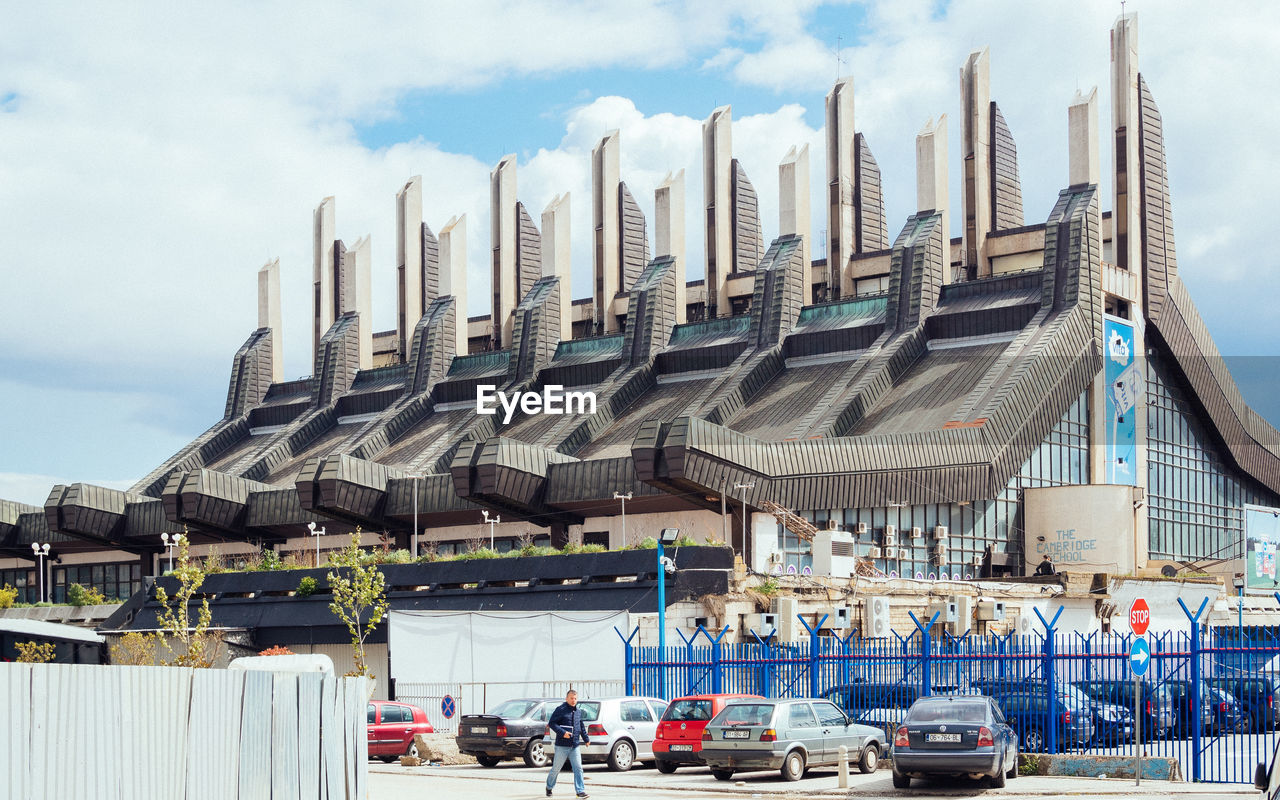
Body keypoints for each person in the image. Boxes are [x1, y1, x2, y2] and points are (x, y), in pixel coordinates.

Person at [546, 689, 590, 798]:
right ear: (566, 699)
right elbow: (552, 723)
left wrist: (586, 739)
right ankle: (549, 787)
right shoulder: (560, 709)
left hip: (574, 746)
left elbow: (581, 726)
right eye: (571, 698)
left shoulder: (579, 711)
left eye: (575, 698)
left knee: (578, 768)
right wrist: (562, 733)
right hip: (562, 746)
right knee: (556, 769)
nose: (573, 700)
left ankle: (580, 791)